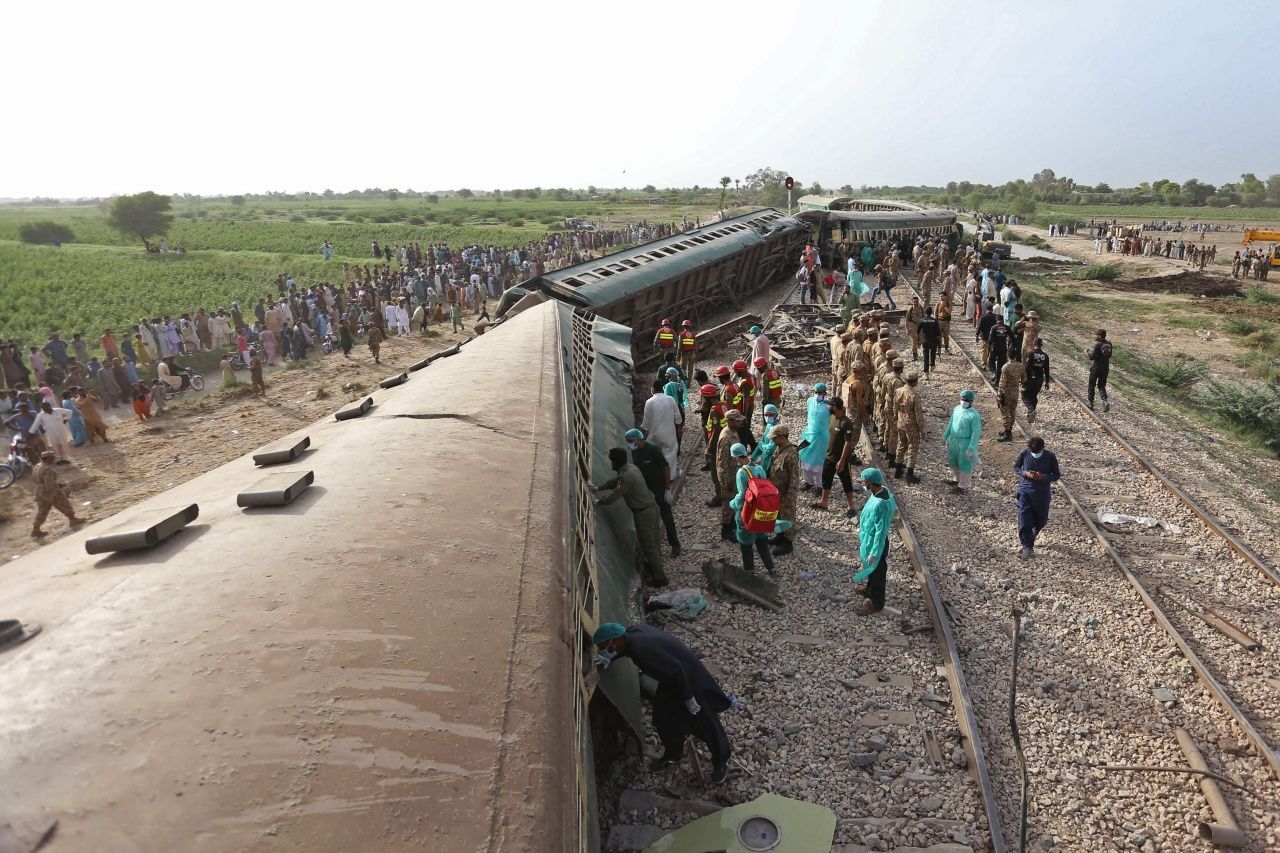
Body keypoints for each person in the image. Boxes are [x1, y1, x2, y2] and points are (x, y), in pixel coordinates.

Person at [591, 622, 733, 785]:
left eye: (606, 647)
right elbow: (626, 650)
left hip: (689, 679)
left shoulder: (641, 648)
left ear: (614, 640)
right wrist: (611, 658)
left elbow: (677, 668)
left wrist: (688, 697)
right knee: (663, 719)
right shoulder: (630, 634)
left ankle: (722, 759)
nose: (607, 650)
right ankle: (673, 754)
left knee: (705, 719)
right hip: (670, 682)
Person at [593, 447, 668, 587]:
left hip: (643, 513)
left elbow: (615, 495)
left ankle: (660, 578)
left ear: (615, 463)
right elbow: (614, 482)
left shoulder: (627, 477)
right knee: (654, 541)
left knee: (648, 545)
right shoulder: (631, 468)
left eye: (611, 462)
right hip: (651, 508)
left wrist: (598, 501)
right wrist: (597, 488)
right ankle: (656, 567)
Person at [728, 441, 790, 574]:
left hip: (747, 513)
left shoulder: (742, 472)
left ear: (737, 457)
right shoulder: (759, 468)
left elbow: (742, 495)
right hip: (761, 511)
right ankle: (770, 567)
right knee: (761, 541)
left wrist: (732, 504)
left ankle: (749, 570)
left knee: (746, 544)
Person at [626, 428, 680, 558]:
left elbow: (665, 467)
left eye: (631, 441)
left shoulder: (653, 449)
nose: (630, 444)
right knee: (649, 520)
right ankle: (653, 548)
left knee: (667, 517)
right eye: (628, 442)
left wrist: (667, 489)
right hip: (646, 491)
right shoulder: (635, 452)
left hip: (660, 490)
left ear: (639, 439)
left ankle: (675, 544)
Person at [853, 467, 896, 615]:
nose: (863, 484)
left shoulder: (881, 504)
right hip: (869, 539)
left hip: (876, 543)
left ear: (871, 483)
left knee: (877, 571)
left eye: (865, 482)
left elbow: (881, 531)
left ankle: (876, 603)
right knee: (871, 569)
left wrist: (875, 552)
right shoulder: (880, 492)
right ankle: (869, 590)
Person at [1013, 436, 1061, 559]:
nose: (1034, 454)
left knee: (1041, 520)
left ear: (1042, 448)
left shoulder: (1050, 456)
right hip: (1025, 492)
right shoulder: (1025, 453)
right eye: (1033, 452)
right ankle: (1027, 546)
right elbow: (1016, 468)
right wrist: (1025, 473)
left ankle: (1032, 535)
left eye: (1037, 452)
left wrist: (1043, 477)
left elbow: (1056, 475)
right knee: (1024, 519)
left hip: (1042, 494)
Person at [811, 397, 857, 516]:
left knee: (846, 481)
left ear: (835, 407)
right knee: (826, 479)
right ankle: (824, 502)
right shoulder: (831, 417)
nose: (828, 407)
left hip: (841, 459)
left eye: (829, 405)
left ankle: (851, 506)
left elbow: (848, 443)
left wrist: (842, 461)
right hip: (829, 456)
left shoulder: (846, 423)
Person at [30, 449, 86, 537]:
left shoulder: (38, 466)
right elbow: (49, 484)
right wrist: (57, 490)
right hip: (50, 491)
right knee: (64, 503)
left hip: (39, 492)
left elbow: (37, 479)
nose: (53, 459)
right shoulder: (47, 469)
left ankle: (35, 529)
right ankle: (72, 519)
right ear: (47, 458)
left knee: (43, 510)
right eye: (52, 458)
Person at [766, 424, 799, 556]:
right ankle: (780, 536)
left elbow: (794, 478)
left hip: (786, 494)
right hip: (777, 492)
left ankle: (788, 542)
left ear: (782, 437)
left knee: (787, 516)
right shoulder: (780, 449)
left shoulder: (791, 455)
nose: (772, 441)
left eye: (774, 438)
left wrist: (790, 497)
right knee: (779, 515)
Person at [942, 390, 982, 493]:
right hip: (954, 441)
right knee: (953, 461)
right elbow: (951, 423)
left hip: (965, 443)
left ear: (971, 401)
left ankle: (962, 486)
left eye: (966, 400)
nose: (964, 401)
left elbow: (975, 433)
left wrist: (971, 448)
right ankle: (957, 479)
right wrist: (945, 435)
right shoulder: (957, 409)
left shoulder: (974, 416)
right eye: (962, 399)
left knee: (964, 464)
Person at [641, 379, 682, 478]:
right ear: (662, 389)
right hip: (669, 434)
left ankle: (658, 476)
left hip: (654, 435)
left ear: (653, 389)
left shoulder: (649, 402)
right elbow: (678, 417)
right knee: (671, 454)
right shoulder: (670, 399)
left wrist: (644, 434)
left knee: (656, 455)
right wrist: (679, 428)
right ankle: (670, 477)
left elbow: (645, 423)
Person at [798, 383, 831, 491]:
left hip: (821, 437)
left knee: (818, 462)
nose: (817, 394)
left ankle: (819, 485)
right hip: (809, 433)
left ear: (825, 393)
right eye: (816, 392)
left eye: (820, 393)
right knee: (805, 456)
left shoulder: (829, 406)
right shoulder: (810, 401)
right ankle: (809, 482)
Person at [894, 371, 924, 482]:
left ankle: (898, 469)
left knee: (901, 444)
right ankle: (909, 473)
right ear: (915, 381)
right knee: (912, 447)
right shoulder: (914, 395)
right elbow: (918, 414)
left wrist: (896, 419)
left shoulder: (898, 391)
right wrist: (922, 429)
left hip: (900, 422)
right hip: (911, 426)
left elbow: (895, 406)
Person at [996, 353, 1026, 442]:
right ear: (1015, 356)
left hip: (1007, 393)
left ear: (1007, 355)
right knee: (1012, 411)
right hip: (1015, 393)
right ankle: (1009, 429)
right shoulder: (1021, 366)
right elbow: (1024, 379)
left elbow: (1002, 382)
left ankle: (1007, 433)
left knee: (1004, 412)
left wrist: (999, 395)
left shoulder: (1005, 367)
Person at [1023, 338, 1052, 423]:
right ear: (1041, 345)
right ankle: (1031, 414)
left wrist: (1024, 379)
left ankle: (1031, 410)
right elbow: (1047, 370)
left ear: (1034, 344)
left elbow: (1027, 367)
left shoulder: (1031, 354)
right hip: (1039, 380)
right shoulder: (1045, 356)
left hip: (1031, 379)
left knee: (1024, 395)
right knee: (1033, 396)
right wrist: (1047, 382)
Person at [1087, 328, 1113, 411]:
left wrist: (1086, 352)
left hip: (1096, 368)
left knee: (1091, 385)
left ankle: (1090, 404)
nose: (1094, 336)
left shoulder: (1097, 345)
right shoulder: (1109, 344)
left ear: (1100, 336)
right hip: (1105, 368)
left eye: (1096, 335)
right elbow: (1109, 355)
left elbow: (1091, 357)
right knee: (1101, 385)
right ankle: (1105, 401)